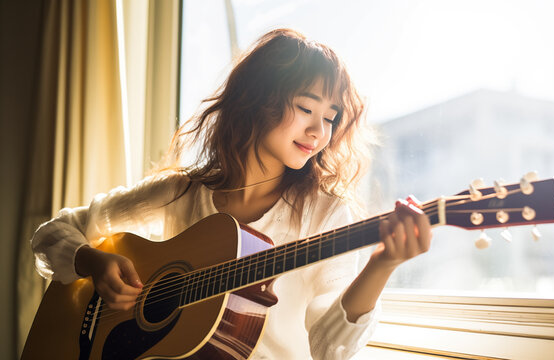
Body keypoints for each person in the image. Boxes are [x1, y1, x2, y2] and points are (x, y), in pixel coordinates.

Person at [31, 28, 432, 359]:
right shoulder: (182, 191)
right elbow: (51, 234)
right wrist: (91, 260)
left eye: (330, 118)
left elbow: (330, 350)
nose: (319, 132)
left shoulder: (325, 213)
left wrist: (381, 265)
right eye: (306, 108)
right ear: (258, 100)